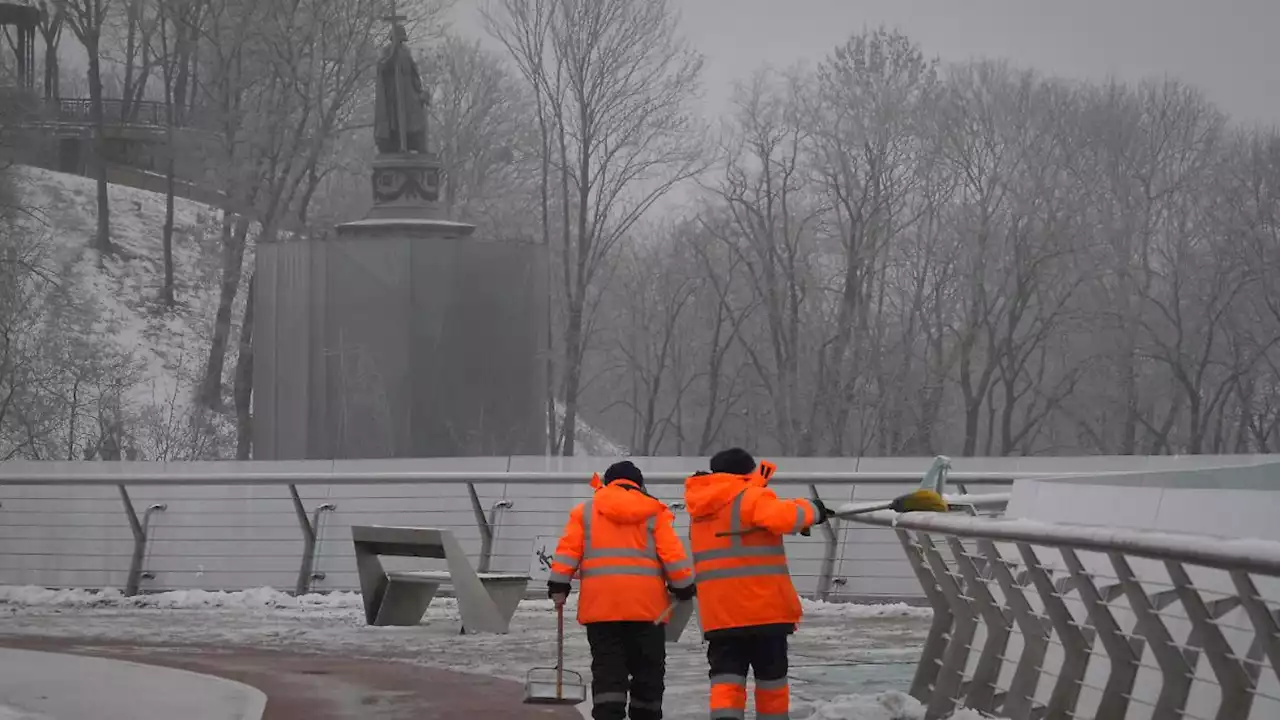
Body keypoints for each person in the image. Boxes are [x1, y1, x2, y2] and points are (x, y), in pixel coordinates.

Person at [684, 448, 831, 720]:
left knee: (726, 680)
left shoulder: (701, 505)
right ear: (745, 472)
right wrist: (814, 510)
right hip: (763, 609)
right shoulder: (750, 495)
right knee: (771, 681)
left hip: (720, 614)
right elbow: (784, 517)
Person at [548, 460, 696, 720]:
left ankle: (608, 714)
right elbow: (672, 555)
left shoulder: (585, 512)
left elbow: (568, 551)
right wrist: (682, 586)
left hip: (601, 608)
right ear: (638, 484)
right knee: (648, 670)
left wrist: (559, 585)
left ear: (607, 482)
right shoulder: (655, 512)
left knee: (608, 669)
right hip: (648, 610)